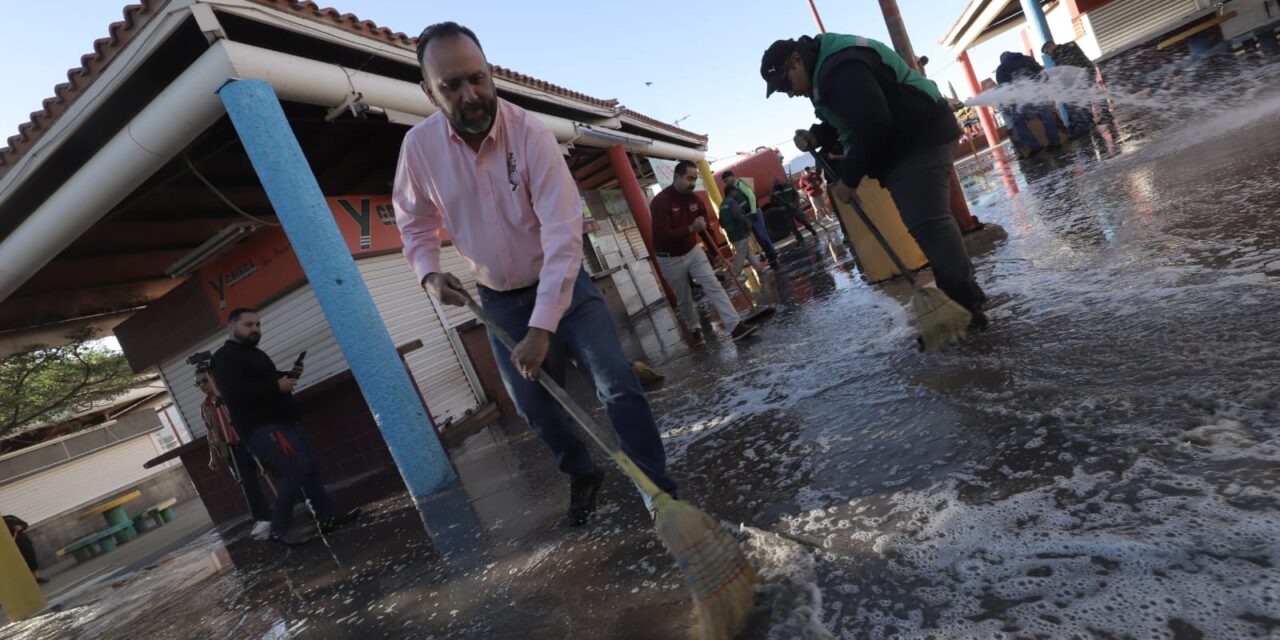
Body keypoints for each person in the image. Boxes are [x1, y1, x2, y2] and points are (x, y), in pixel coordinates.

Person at [393, 22, 678, 526]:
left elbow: (564, 236)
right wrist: (429, 273)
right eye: (451, 86)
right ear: (427, 91)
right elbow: (414, 222)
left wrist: (543, 328)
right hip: (497, 298)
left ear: (490, 71)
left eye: (477, 78)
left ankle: (660, 492)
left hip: (565, 286)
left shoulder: (530, 135)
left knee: (616, 385)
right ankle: (581, 471)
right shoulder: (418, 150)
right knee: (534, 409)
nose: (470, 94)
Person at [761, 33, 988, 326]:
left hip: (918, 137)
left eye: (785, 84)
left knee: (929, 224)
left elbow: (872, 123)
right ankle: (964, 301)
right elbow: (850, 116)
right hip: (907, 141)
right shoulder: (827, 69)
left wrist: (849, 180)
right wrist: (817, 135)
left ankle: (966, 310)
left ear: (796, 60)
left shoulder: (839, 68)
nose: (789, 93)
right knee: (928, 224)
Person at [211, 309, 357, 546]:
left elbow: (266, 380)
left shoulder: (256, 354)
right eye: (248, 324)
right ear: (231, 327)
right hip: (261, 427)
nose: (255, 329)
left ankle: (326, 518)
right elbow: (234, 392)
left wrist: (289, 376)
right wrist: (276, 387)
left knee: (310, 468)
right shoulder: (224, 357)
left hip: (286, 422)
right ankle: (278, 528)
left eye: (258, 324)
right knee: (295, 467)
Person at [649, 161, 760, 344]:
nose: (693, 183)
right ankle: (694, 328)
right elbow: (664, 235)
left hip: (693, 251)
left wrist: (715, 254)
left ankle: (735, 327)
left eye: (695, 179)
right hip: (669, 258)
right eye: (689, 178)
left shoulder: (694, 200)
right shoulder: (661, 202)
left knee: (714, 285)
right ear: (676, 177)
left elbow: (706, 229)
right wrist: (691, 228)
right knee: (684, 299)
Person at [197, 367, 272, 541]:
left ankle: (305, 498)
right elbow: (210, 433)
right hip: (233, 450)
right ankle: (264, 518)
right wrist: (213, 456)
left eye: (205, 380)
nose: (202, 385)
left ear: (213, 378)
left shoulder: (229, 394)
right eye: (199, 383)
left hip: (250, 440)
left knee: (276, 469)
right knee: (247, 485)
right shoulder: (205, 407)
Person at [995, 51, 1063, 156]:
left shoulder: (1002, 68)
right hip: (1038, 93)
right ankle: (1055, 142)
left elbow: (1004, 88)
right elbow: (1042, 74)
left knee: (1018, 122)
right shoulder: (1027, 59)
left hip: (1021, 99)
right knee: (1047, 117)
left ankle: (1034, 146)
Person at [721, 170, 780, 267]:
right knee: (758, 237)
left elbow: (751, 197)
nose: (726, 183)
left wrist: (754, 212)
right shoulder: (733, 188)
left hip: (753, 212)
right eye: (725, 182)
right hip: (747, 215)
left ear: (732, 176)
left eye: (727, 180)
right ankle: (770, 255)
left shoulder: (740, 184)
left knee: (762, 235)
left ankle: (773, 255)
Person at [720, 184, 766, 280]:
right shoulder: (732, 202)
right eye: (735, 191)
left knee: (747, 251)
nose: (736, 193)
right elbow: (737, 214)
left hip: (732, 232)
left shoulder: (723, 204)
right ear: (731, 192)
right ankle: (734, 273)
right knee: (741, 252)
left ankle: (759, 267)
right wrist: (747, 222)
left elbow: (721, 221)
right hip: (739, 232)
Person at [4, 514, 47, 584]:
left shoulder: (10, 517)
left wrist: (21, 527)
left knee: (31, 559)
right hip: (11, 547)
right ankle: (27, 581)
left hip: (24, 543)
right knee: (19, 564)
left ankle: (37, 578)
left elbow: (25, 524)